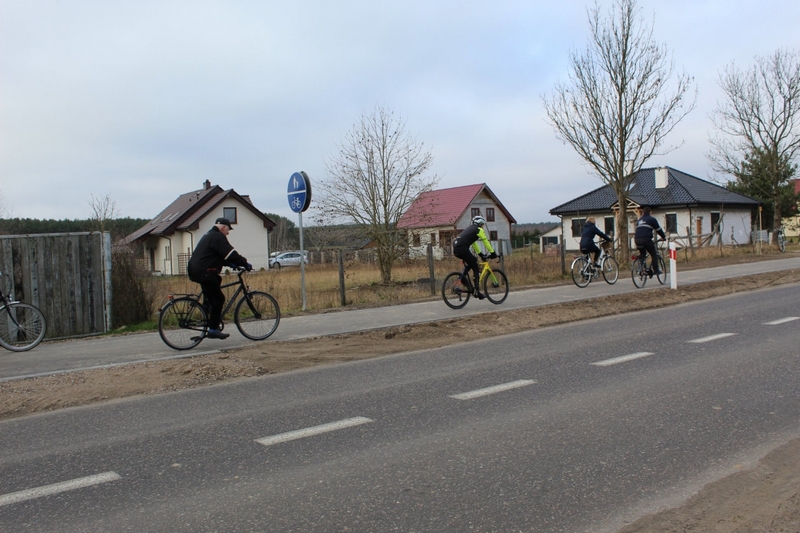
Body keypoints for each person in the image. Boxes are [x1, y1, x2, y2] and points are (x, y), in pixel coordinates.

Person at [187, 217, 252, 339]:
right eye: (228, 230)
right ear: (223, 228)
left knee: (217, 280)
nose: (228, 233)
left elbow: (217, 256)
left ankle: (206, 307)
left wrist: (231, 264)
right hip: (205, 272)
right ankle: (213, 329)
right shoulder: (218, 237)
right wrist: (245, 263)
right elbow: (231, 254)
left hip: (197, 270)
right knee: (219, 299)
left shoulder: (209, 235)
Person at [452, 215, 498, 299]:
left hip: (456, 249)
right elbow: (486, 242)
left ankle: (463, 279)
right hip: (462, 248)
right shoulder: (479, 230)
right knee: (475, 266)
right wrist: (493, 253)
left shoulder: (470, 230)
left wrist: (481, 254)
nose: (483, 227)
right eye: (483, 224)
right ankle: (476, 291)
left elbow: (474, 244)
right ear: (480, 224)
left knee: (471, 262)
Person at [634, 206, 666, 275]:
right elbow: (658, 230)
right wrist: (663, 237)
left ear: (643, 213)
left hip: (637, 240)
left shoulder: (639, 220)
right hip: (646, 240)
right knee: (654, 254)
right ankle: (656, 270)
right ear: (650, 213)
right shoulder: (652, 219)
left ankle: (642, 269)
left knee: (643, 254)